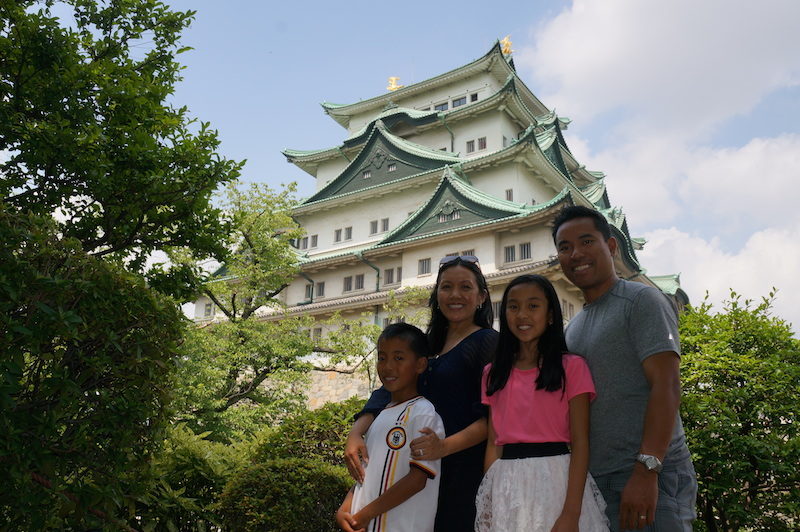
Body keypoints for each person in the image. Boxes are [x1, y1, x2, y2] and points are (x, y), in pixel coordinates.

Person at [551, 205, 697, 531]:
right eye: (565, 247)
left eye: (587, 241)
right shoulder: (572, 329)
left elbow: (667, 386)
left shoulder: (642, 301)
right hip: (597, 481)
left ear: (612, 246)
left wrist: (646, 470)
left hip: (651, 474)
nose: (576, 253)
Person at [345, 255, 498, 532]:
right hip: (412, 472)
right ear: (436, 294)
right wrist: (356, 434)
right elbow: (388, 391)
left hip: (462, 473)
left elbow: (493, 418)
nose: (455, 295)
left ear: (482, 297)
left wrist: (443, 447)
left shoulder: (487, 342)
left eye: (465, 287)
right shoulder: (427, 346)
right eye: (446, 287)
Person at [476, 274, 610, 532]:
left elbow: (581, 442)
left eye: (533, 306)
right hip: (508, 485)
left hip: (557, 481)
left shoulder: (571, 367)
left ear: (550, 315)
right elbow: (494, 446)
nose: (522, 314)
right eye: (513, 307)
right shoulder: (493, 374)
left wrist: (571, 513)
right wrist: (489, 504)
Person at [336, 323, 445, 532]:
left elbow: (417, 480)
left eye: (398, 358)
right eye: (382, 358)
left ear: (420, 365)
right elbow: (366, 473)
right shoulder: (380, 415)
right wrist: (345, 509)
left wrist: (364, 515)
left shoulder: (422, 412)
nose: (387, 367)